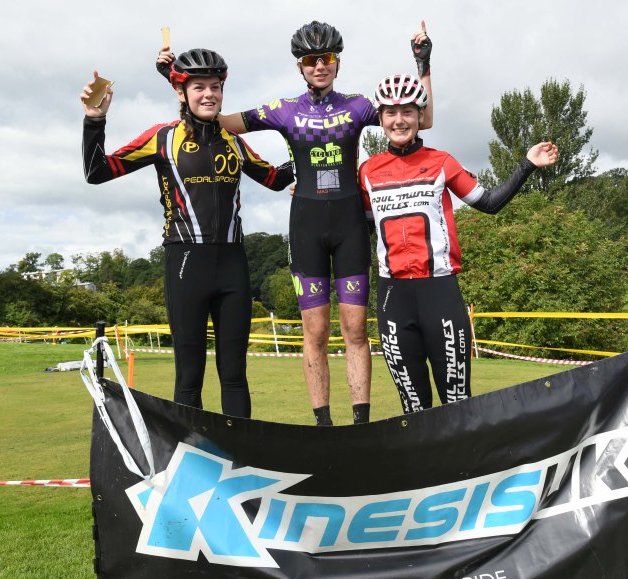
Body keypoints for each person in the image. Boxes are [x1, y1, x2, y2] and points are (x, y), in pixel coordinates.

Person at [157, 21, 434, 425]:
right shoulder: (285, 109)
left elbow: (421, 120)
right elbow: (212, 118)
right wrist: (175, 80)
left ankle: (360, 424)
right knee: (315, 334)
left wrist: (423, 63)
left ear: (337, 62)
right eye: (310, 60)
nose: (319, 66)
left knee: (356, 332)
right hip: (306, 229)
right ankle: (323, 426)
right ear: (299, 66)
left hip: (350, 229)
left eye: (327, 58)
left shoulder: (359, 106)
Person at [81, 49, 294, 417]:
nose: (209, 94)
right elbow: (96, 171)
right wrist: (94, 120)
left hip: (233, 264)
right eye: (199, 87)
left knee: (234, 375)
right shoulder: (163, 137)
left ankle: (239, 450)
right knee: (189, 377)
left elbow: (274, 179)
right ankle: (193, 451)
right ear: (181, 92)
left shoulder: (233, 140)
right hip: (185, 263)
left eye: (215, 86)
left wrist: (315, 151)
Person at [358, 74, 558, 414]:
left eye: (407, 111)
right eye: (391, 112)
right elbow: (360, 226)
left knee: (456, 403)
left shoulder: (441, 162)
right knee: (413, 406)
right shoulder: (367, 171)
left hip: (440, 292)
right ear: (380, 118)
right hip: (393, 297)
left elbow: (489, 203)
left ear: (420, 116)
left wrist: (527, 165)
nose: (399, 120)